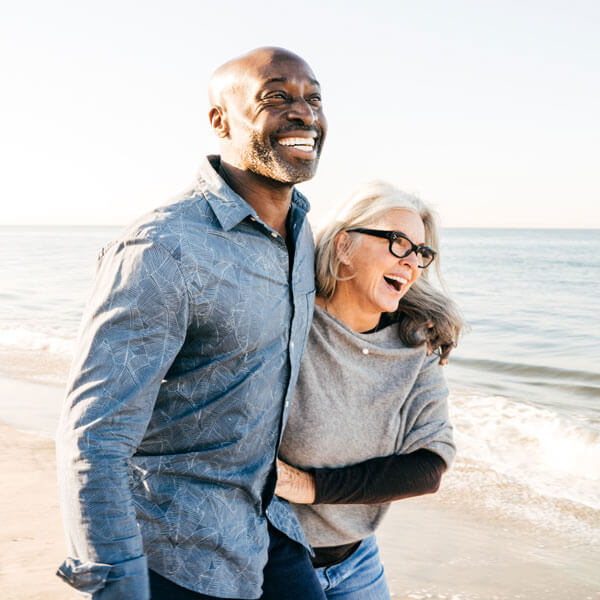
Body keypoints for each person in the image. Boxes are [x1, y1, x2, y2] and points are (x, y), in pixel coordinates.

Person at [55, 47, 328, 600]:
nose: (304, 113)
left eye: (313, 98)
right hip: (172, 550)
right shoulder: (163, 249)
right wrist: (118, 583)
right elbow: (93, 436)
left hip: (265, 525)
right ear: (220, 121)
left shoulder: (301, 236)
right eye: (276, 96)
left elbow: (358, 294)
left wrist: (430, 322)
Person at [274, 181, 464, 598]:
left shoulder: (417, 345)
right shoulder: (286, 325)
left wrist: (308, 486)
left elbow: (429, 466)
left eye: (420, 253)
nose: (411, 263)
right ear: (343, 245)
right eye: (398, 243)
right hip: (268, 555)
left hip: (356, 561)